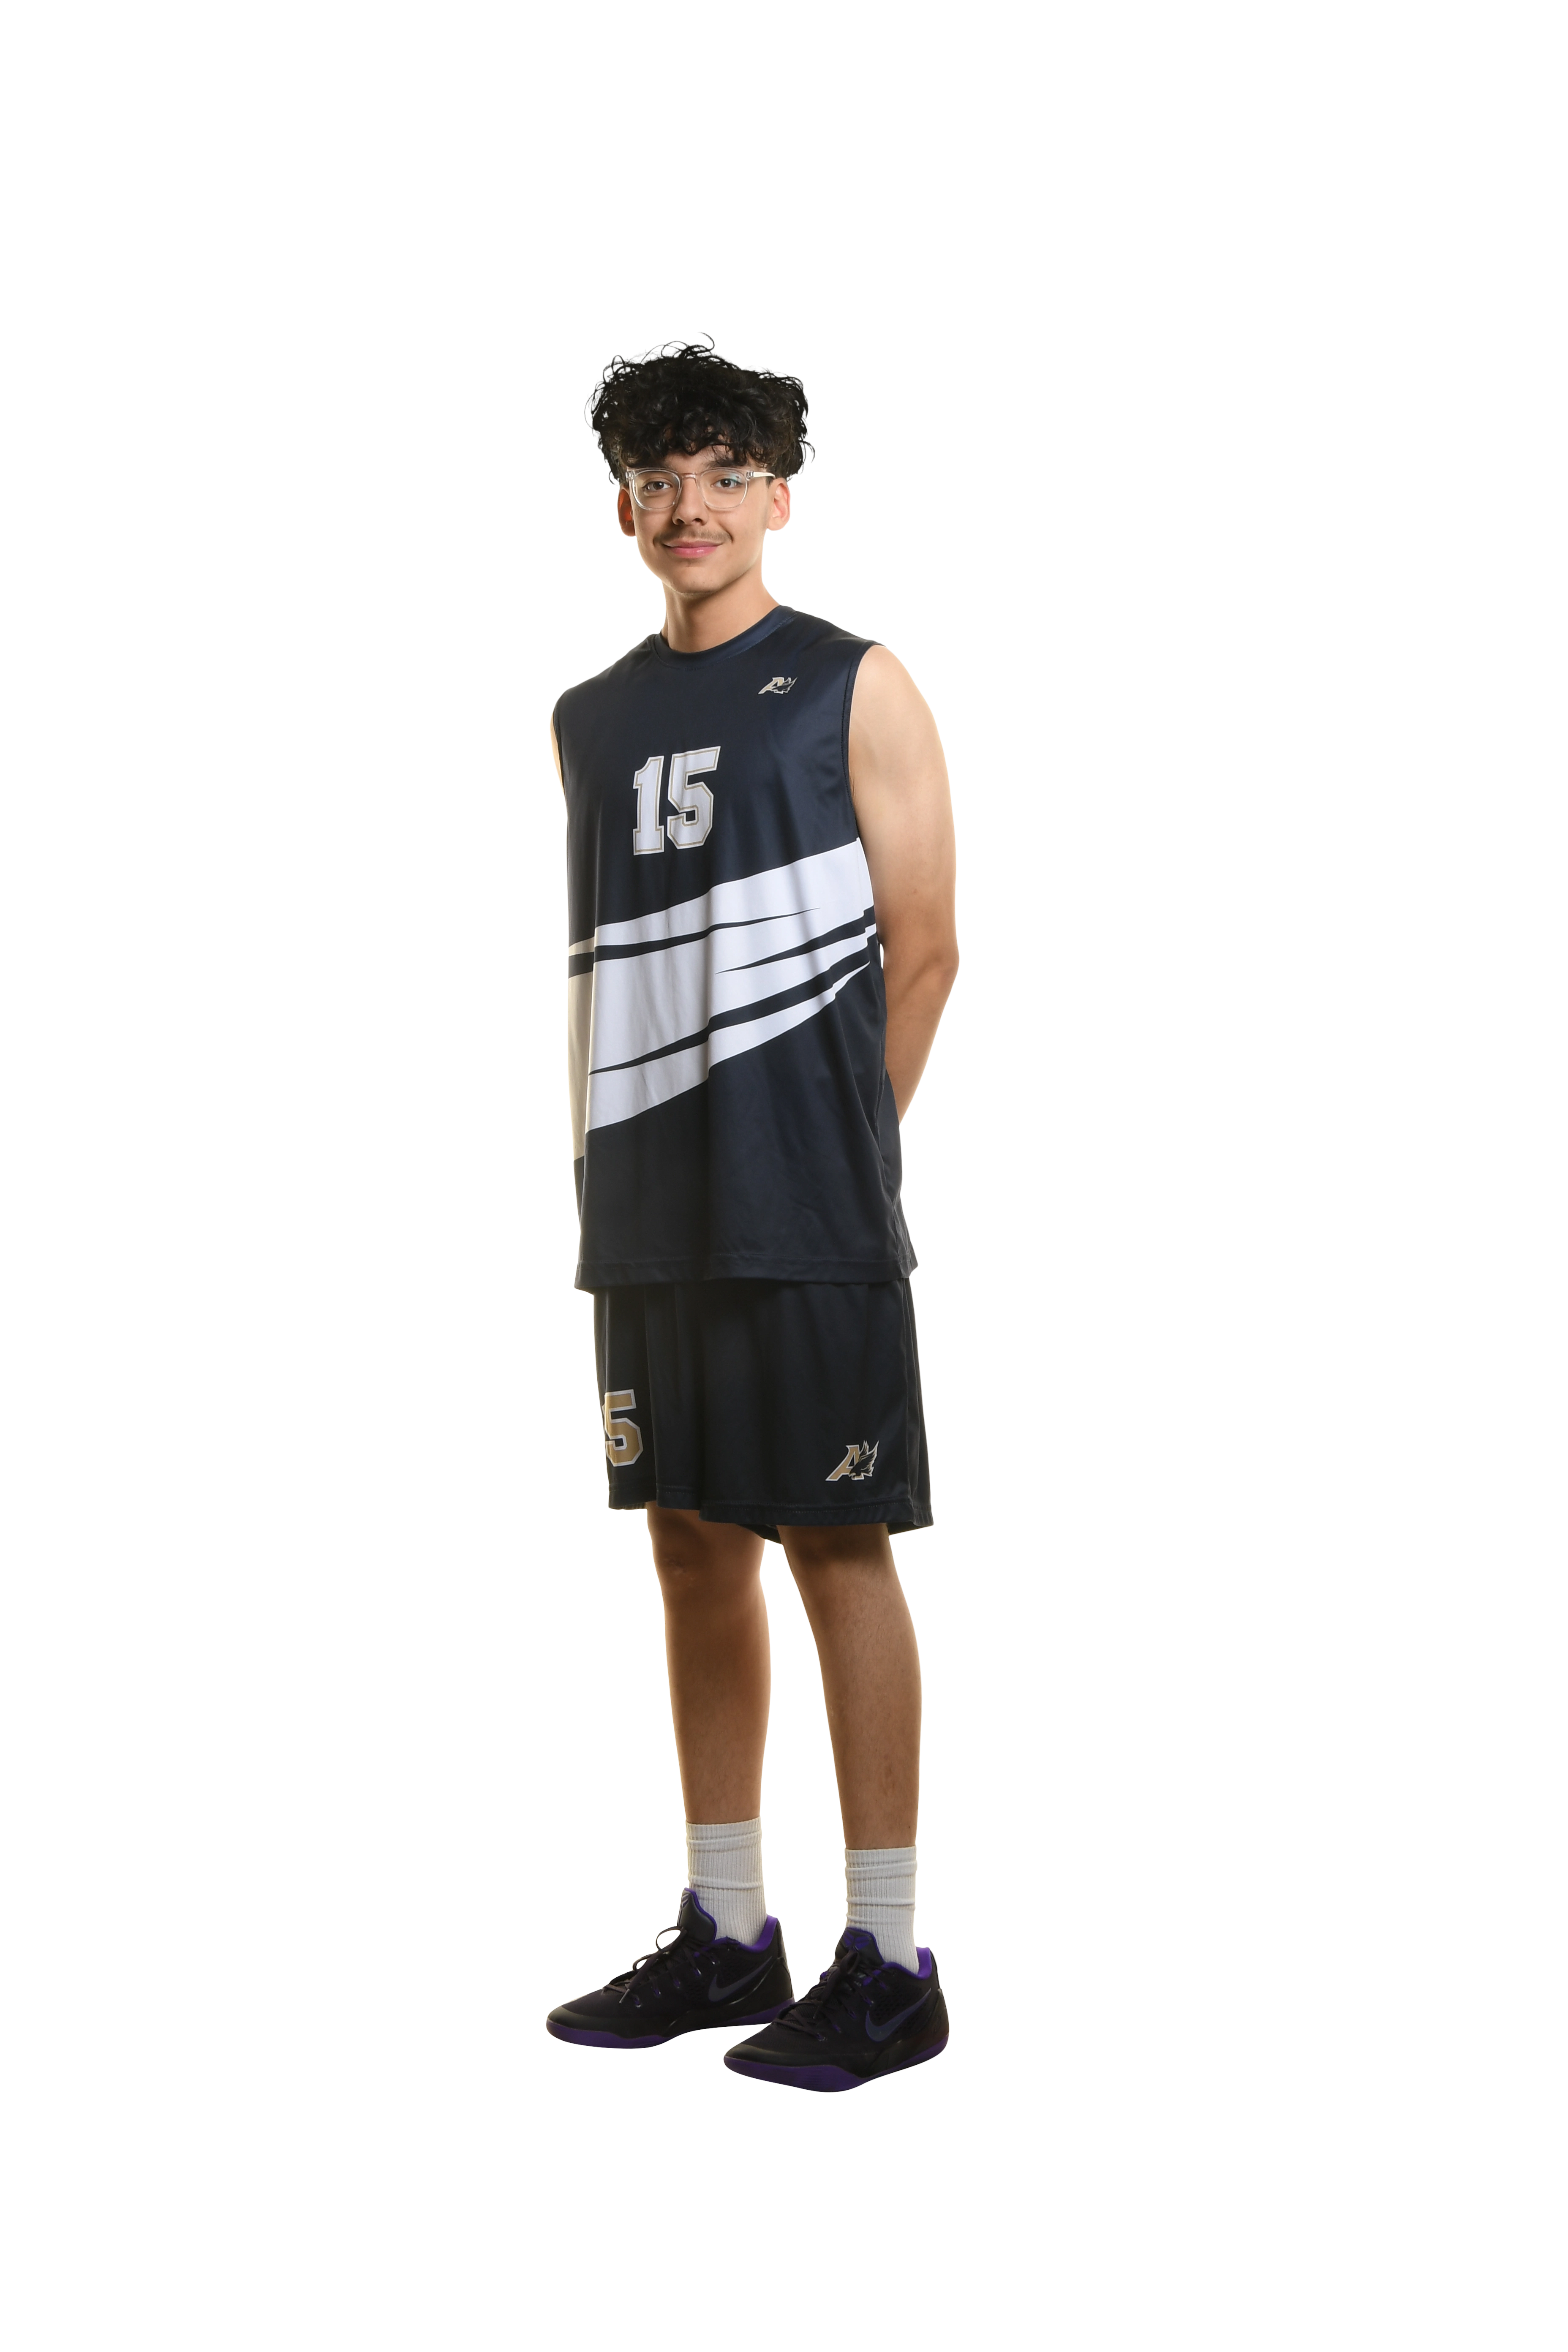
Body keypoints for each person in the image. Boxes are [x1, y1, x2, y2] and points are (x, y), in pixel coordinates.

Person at [543, 334, 959, 2091]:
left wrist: (835, 1158)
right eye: (655, 477)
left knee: (832, 1541)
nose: (687, 505)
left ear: (778, 493)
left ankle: (888, 1959)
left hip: (807, 1212)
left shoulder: (854, 682)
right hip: (647, 1208)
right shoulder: (586, 717)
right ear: (623, 507)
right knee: (689, 1546)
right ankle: (724, 1926)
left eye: (722, 472)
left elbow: (925, 950)